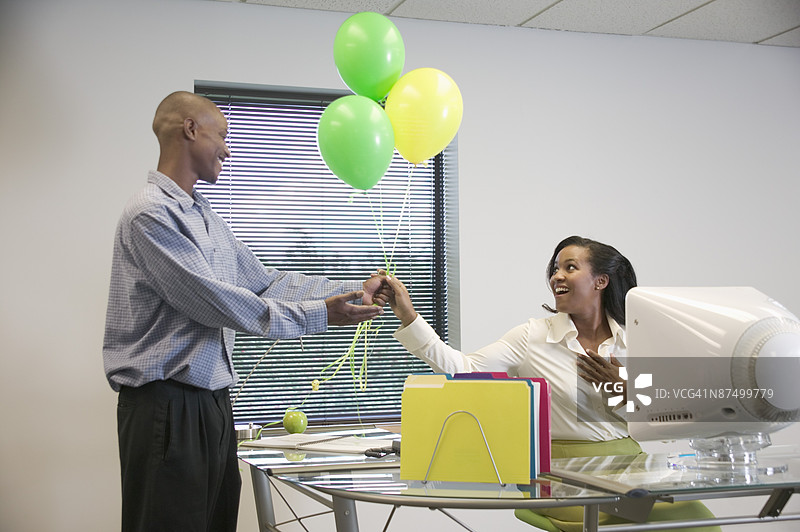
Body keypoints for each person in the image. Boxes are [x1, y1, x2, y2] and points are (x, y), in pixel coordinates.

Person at [103, 91, 390, 532]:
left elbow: (265, 282)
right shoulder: (151, 215)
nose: (228, 149)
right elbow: (214, 301)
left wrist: (352, 290)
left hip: (214, 405)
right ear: (190, 129)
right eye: (222, 135)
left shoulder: (206, 216)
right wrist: (321, 315)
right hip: (166, 408)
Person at [385, 236, 719, 532]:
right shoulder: (533, 336)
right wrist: (410, 318)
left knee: (699, 522)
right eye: (556, 268)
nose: (556, 276)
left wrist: (625, 389)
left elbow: (665, 417)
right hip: (563, 476)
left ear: (601, 280)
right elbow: (463, 368)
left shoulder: (634, 341)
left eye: (570, 267)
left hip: (631, 466)